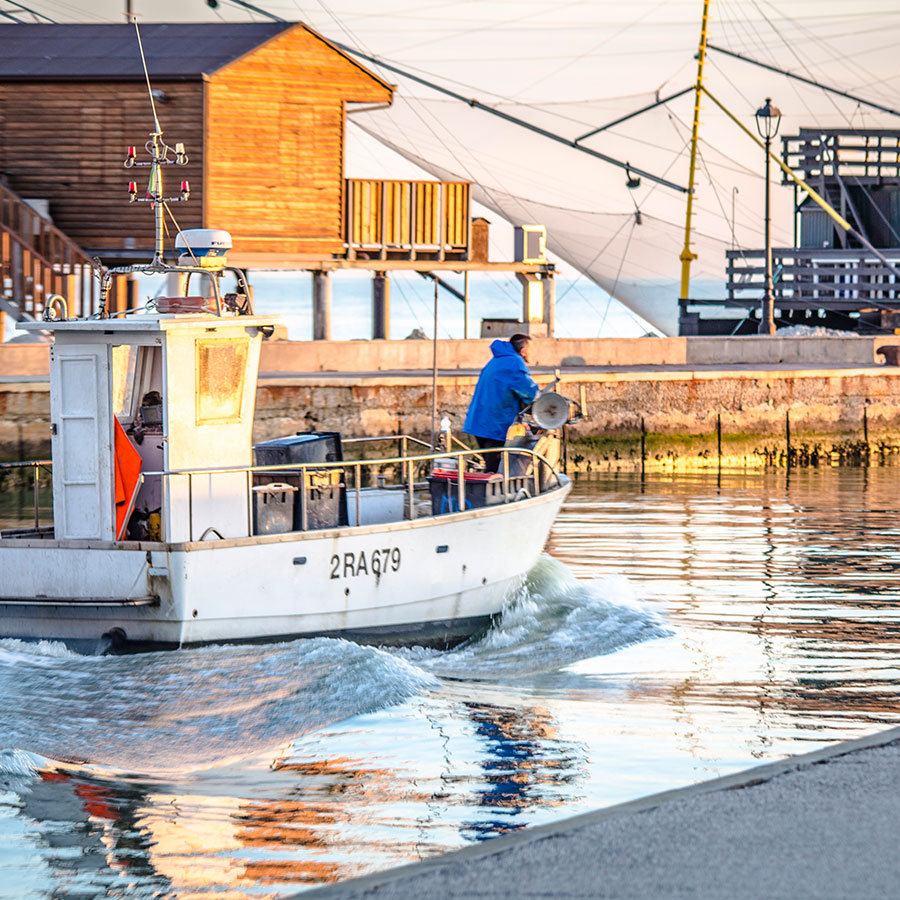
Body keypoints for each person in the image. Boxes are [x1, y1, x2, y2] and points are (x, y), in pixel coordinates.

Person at [463, 333, 538, 473]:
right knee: (496, 471)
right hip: (495, 427)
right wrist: (542, 400)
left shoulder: (497, 360)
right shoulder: (514, 362)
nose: (532, 353)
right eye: (531, 349)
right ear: (523, 351)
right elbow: (529, 393)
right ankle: (490, 494)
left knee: (492, 466)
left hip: (479, 424)